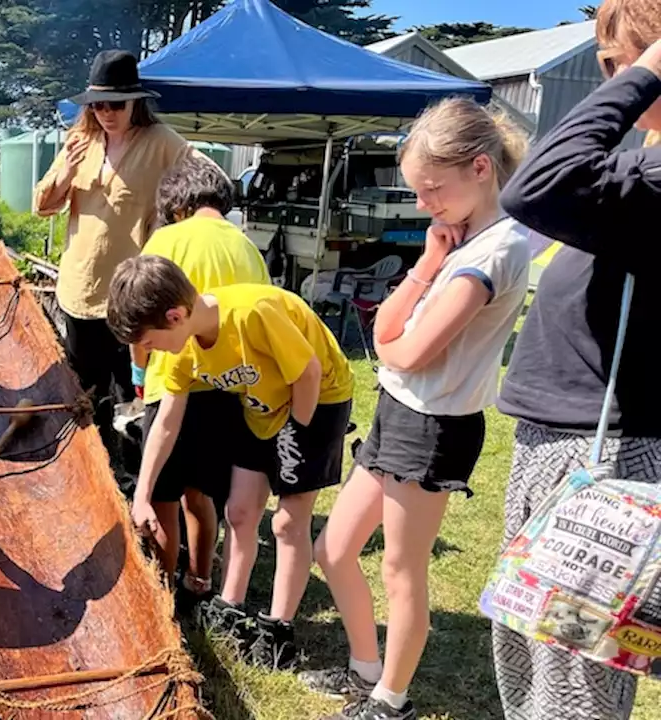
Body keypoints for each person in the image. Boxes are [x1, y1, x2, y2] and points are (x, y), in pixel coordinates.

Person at [301, 98, 531, 720]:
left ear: (480, 168)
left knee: (403, 570)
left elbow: (408, 349)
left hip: (434, 426)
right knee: (335, 550)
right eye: (418, 190)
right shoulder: (459, 243)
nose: (424, 202)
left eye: (432, 188)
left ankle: (390, 701)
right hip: (398, 413)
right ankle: (367, 668)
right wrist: (428, 259)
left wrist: (393, 342)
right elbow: (389, 339)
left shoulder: (495, 250)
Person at [488, 3, 661, 716]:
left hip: (607, 457)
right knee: (526, 651)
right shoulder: (640, 169)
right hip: (562, 444)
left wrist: (646, 74)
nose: (605, 76)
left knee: (572, 685)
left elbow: (533, 186)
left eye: (617, 60)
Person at [107, 255, 354, 670]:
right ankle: (230, 607)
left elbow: (308, 373)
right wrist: (144, 494)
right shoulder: (182, 343)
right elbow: (166, 421)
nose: (148, 354)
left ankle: (279, 628)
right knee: (239, 511)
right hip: (260, 407)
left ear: (175, 315)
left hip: (316, 402)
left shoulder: (253, 314)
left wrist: (294, 435)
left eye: (148, 343)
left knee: (287, 522)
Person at [34, 49, 196, 462]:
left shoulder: (162, 143)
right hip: (79, 291)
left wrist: (174, 235)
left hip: (131, 296)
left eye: (116, 104)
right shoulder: (80, 141)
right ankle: (88, 468)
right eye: (98, 104)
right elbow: (42, 204)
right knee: (86, 390)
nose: (106, 112)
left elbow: (204, 184)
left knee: (130, 390)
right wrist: (66, 175)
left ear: (136, 102)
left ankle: (129, 479)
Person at [130, 155, 271, 612]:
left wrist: (138, 372)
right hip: (230, 387)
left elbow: (141, 311)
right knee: (202, 493)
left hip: (172, 384)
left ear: (177, 206)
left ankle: (162, 591)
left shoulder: (166, 238)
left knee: (164, 496)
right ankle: (201, 580)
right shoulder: (247, 246)